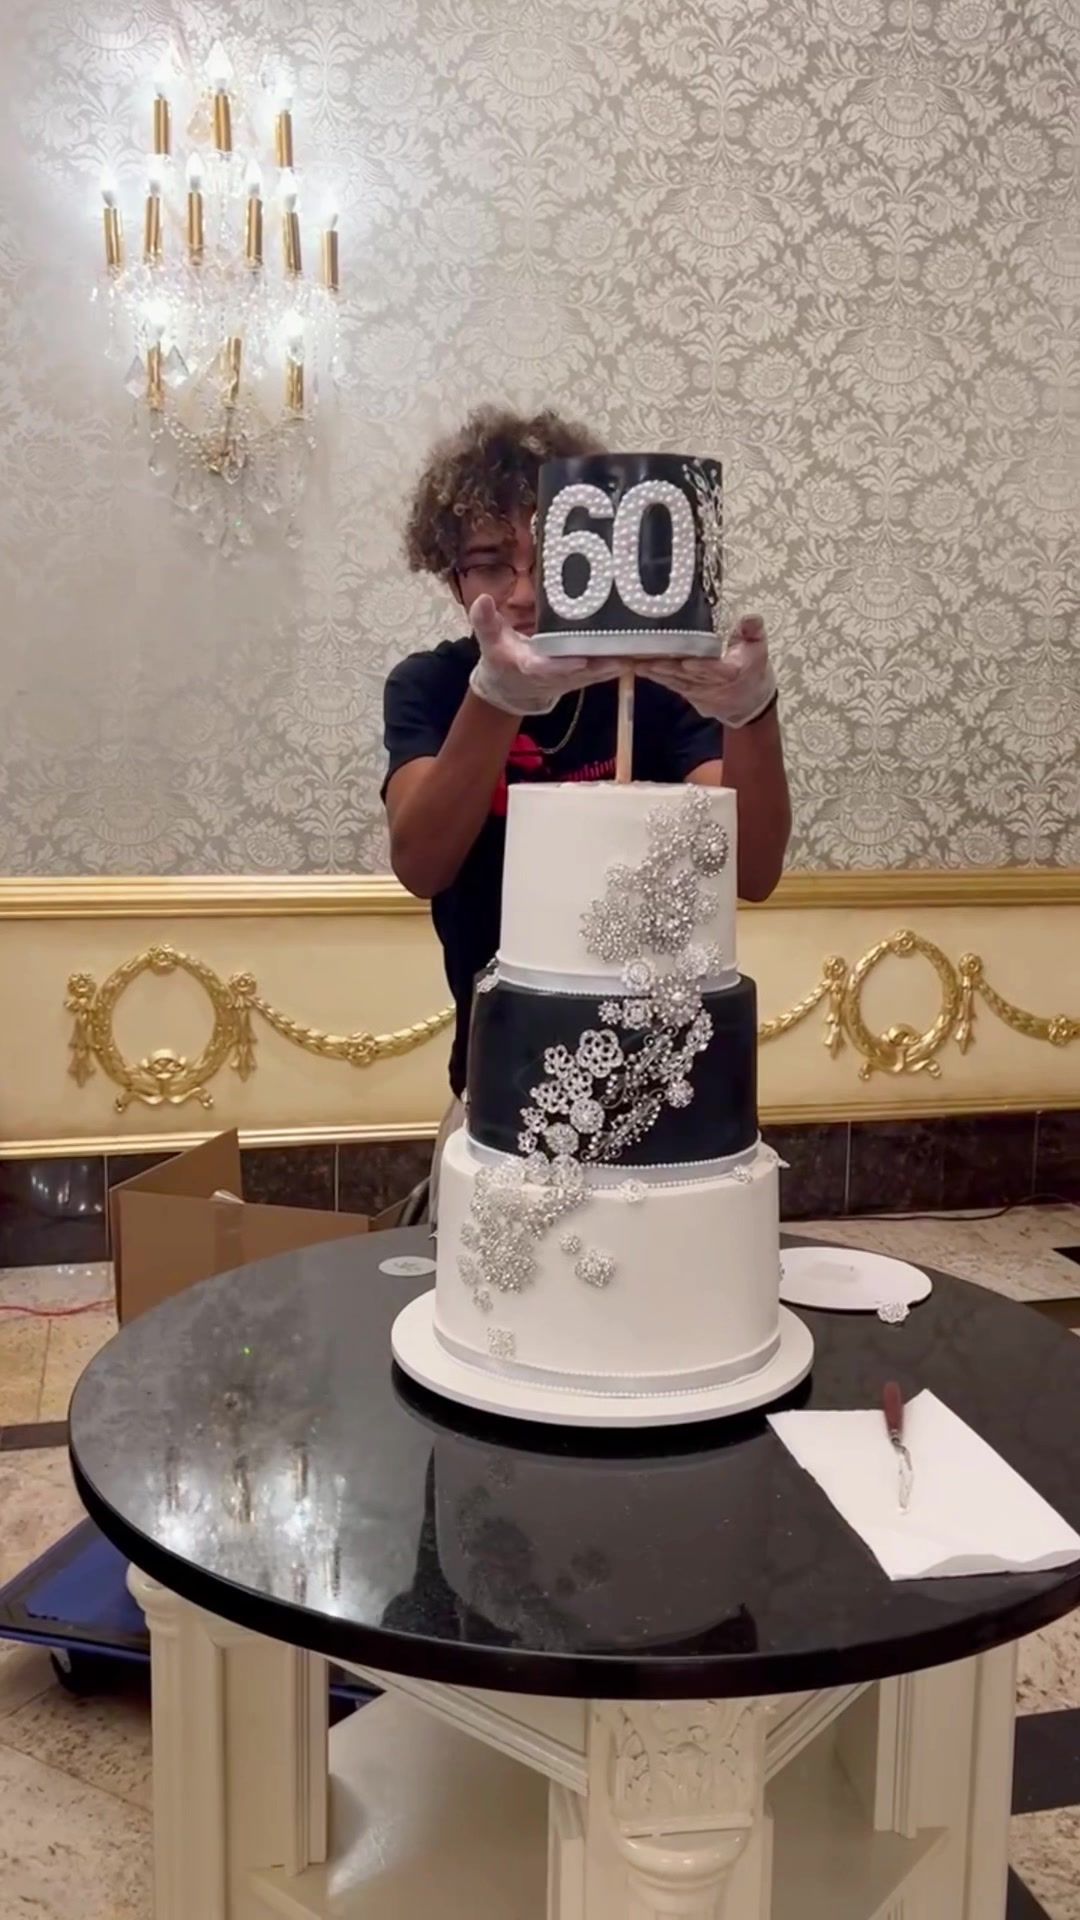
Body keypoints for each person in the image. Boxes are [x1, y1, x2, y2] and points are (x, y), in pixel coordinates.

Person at [382, 406, 791, 1218]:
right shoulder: (431, 687)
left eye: (552, 558)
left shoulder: (658, 692)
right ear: (451, 575)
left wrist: (753, 714)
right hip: (500, 1093)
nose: (525, 592)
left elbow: (754, 870)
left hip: (672, 1111)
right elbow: (421, 861)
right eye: (490, 563)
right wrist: (496, 699)